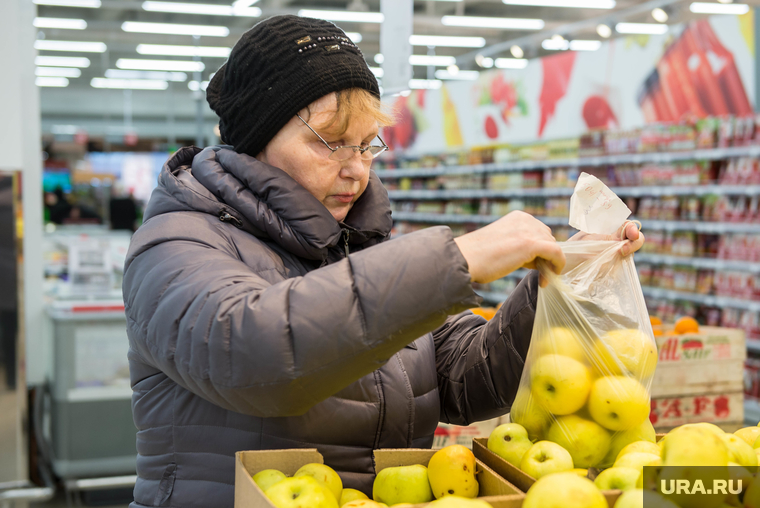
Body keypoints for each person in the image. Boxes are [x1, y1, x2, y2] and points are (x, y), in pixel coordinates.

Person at [122, 15, 644, 508]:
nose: (356, 171)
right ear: (255, 142)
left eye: (367, 144)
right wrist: (454, 259)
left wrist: (557, 283)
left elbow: (464, 379)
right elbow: (254, 352)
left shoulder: (363, 244)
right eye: (330, 143)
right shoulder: (174, 244)